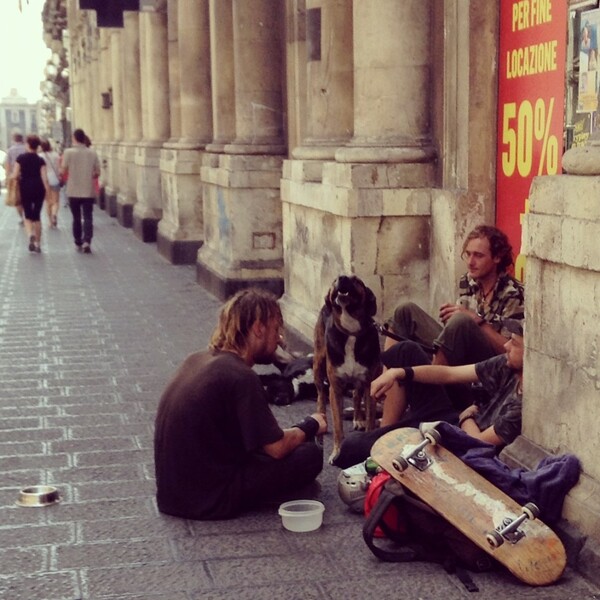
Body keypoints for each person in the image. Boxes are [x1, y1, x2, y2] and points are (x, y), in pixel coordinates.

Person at [154, 288, 328, 520]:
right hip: (209, 499)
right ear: (258, 328)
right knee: (310, 455)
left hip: (171, 497)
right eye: (276, 330)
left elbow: (256, 439)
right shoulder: (240, 376)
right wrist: (311, 425)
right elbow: (276, 449)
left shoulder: (196, 359)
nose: (280, 340)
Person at [333, 319, 524, 469]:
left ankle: (383, 447)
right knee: (406, 351)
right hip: (451, 420)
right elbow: (449, 373)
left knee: (351, 448)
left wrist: (468, 416)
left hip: (453, 443)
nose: (506, 346)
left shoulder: (522, 406)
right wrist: (399, 372)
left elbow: (477, 444)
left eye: (514, 343)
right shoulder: (507, 366)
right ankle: (385, 434)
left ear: (529, 354)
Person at [384, 225, 524, 368]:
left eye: (478, 255)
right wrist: (450, 322)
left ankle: (435, 383)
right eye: (468, 254)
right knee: (405, 311)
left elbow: (511, 352)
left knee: (461, 320)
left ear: (497, 257)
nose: (470, 262)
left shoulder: (513, 294)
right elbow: (459, 331)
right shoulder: (468, 281)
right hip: (460, 355)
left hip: (490, 367)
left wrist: (477, 322)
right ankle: (383, 385)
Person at [60, 128, 100, 254]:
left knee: (76, 217)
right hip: (88, 190)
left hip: (73, 190)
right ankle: (87, 241)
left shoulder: (68, 152)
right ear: (84, 138)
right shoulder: (92, 153)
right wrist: (90, 175)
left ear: (74, 138)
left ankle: (78, 241)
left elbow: (63, 170)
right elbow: (97, 172)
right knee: (88, 216)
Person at [12, 135, 49, 253]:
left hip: (25, 187)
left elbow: (15, 175)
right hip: (39, 187)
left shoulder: (21, 158)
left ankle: (30, 236)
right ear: (37, 146)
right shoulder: (40, 160)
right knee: (37, 216)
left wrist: (13, 179)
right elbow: (44, 178)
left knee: (27, 215)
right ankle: (38, 244)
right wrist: (47, 191)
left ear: (28, 144)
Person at [4, 132, 27, 225]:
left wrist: (8, 176)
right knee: (27, 197)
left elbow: (7, 165)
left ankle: (22, 217)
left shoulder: (10, 150)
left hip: (15, 177)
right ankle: (27, 215)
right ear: (22, 139)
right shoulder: (26, 149)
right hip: (27, 176)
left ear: (14, 139)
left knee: (17, 198)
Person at [40, 139, 61, 228]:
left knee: (48, 202)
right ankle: (54, 214)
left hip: (44, 180)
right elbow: (59, 169)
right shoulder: (56, 155)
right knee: (56, 201)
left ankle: (50, 222)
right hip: (55, 179)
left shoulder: (39, 156)